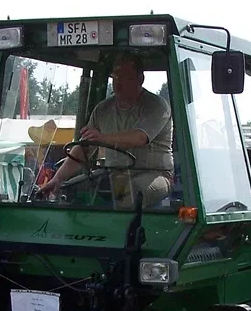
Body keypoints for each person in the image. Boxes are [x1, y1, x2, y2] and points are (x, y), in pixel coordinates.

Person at [38, 54, 172, 208]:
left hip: (154, 174)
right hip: (114, 174)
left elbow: (139, 137)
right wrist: (57, 179)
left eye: (125, 77)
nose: (118, 83)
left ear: (140, 79)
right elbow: (85, 148)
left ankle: (120, 231)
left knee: (133, 193)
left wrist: (101, 138)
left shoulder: (156, 106)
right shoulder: (103, 109)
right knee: (71, 190)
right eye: (115, 77)